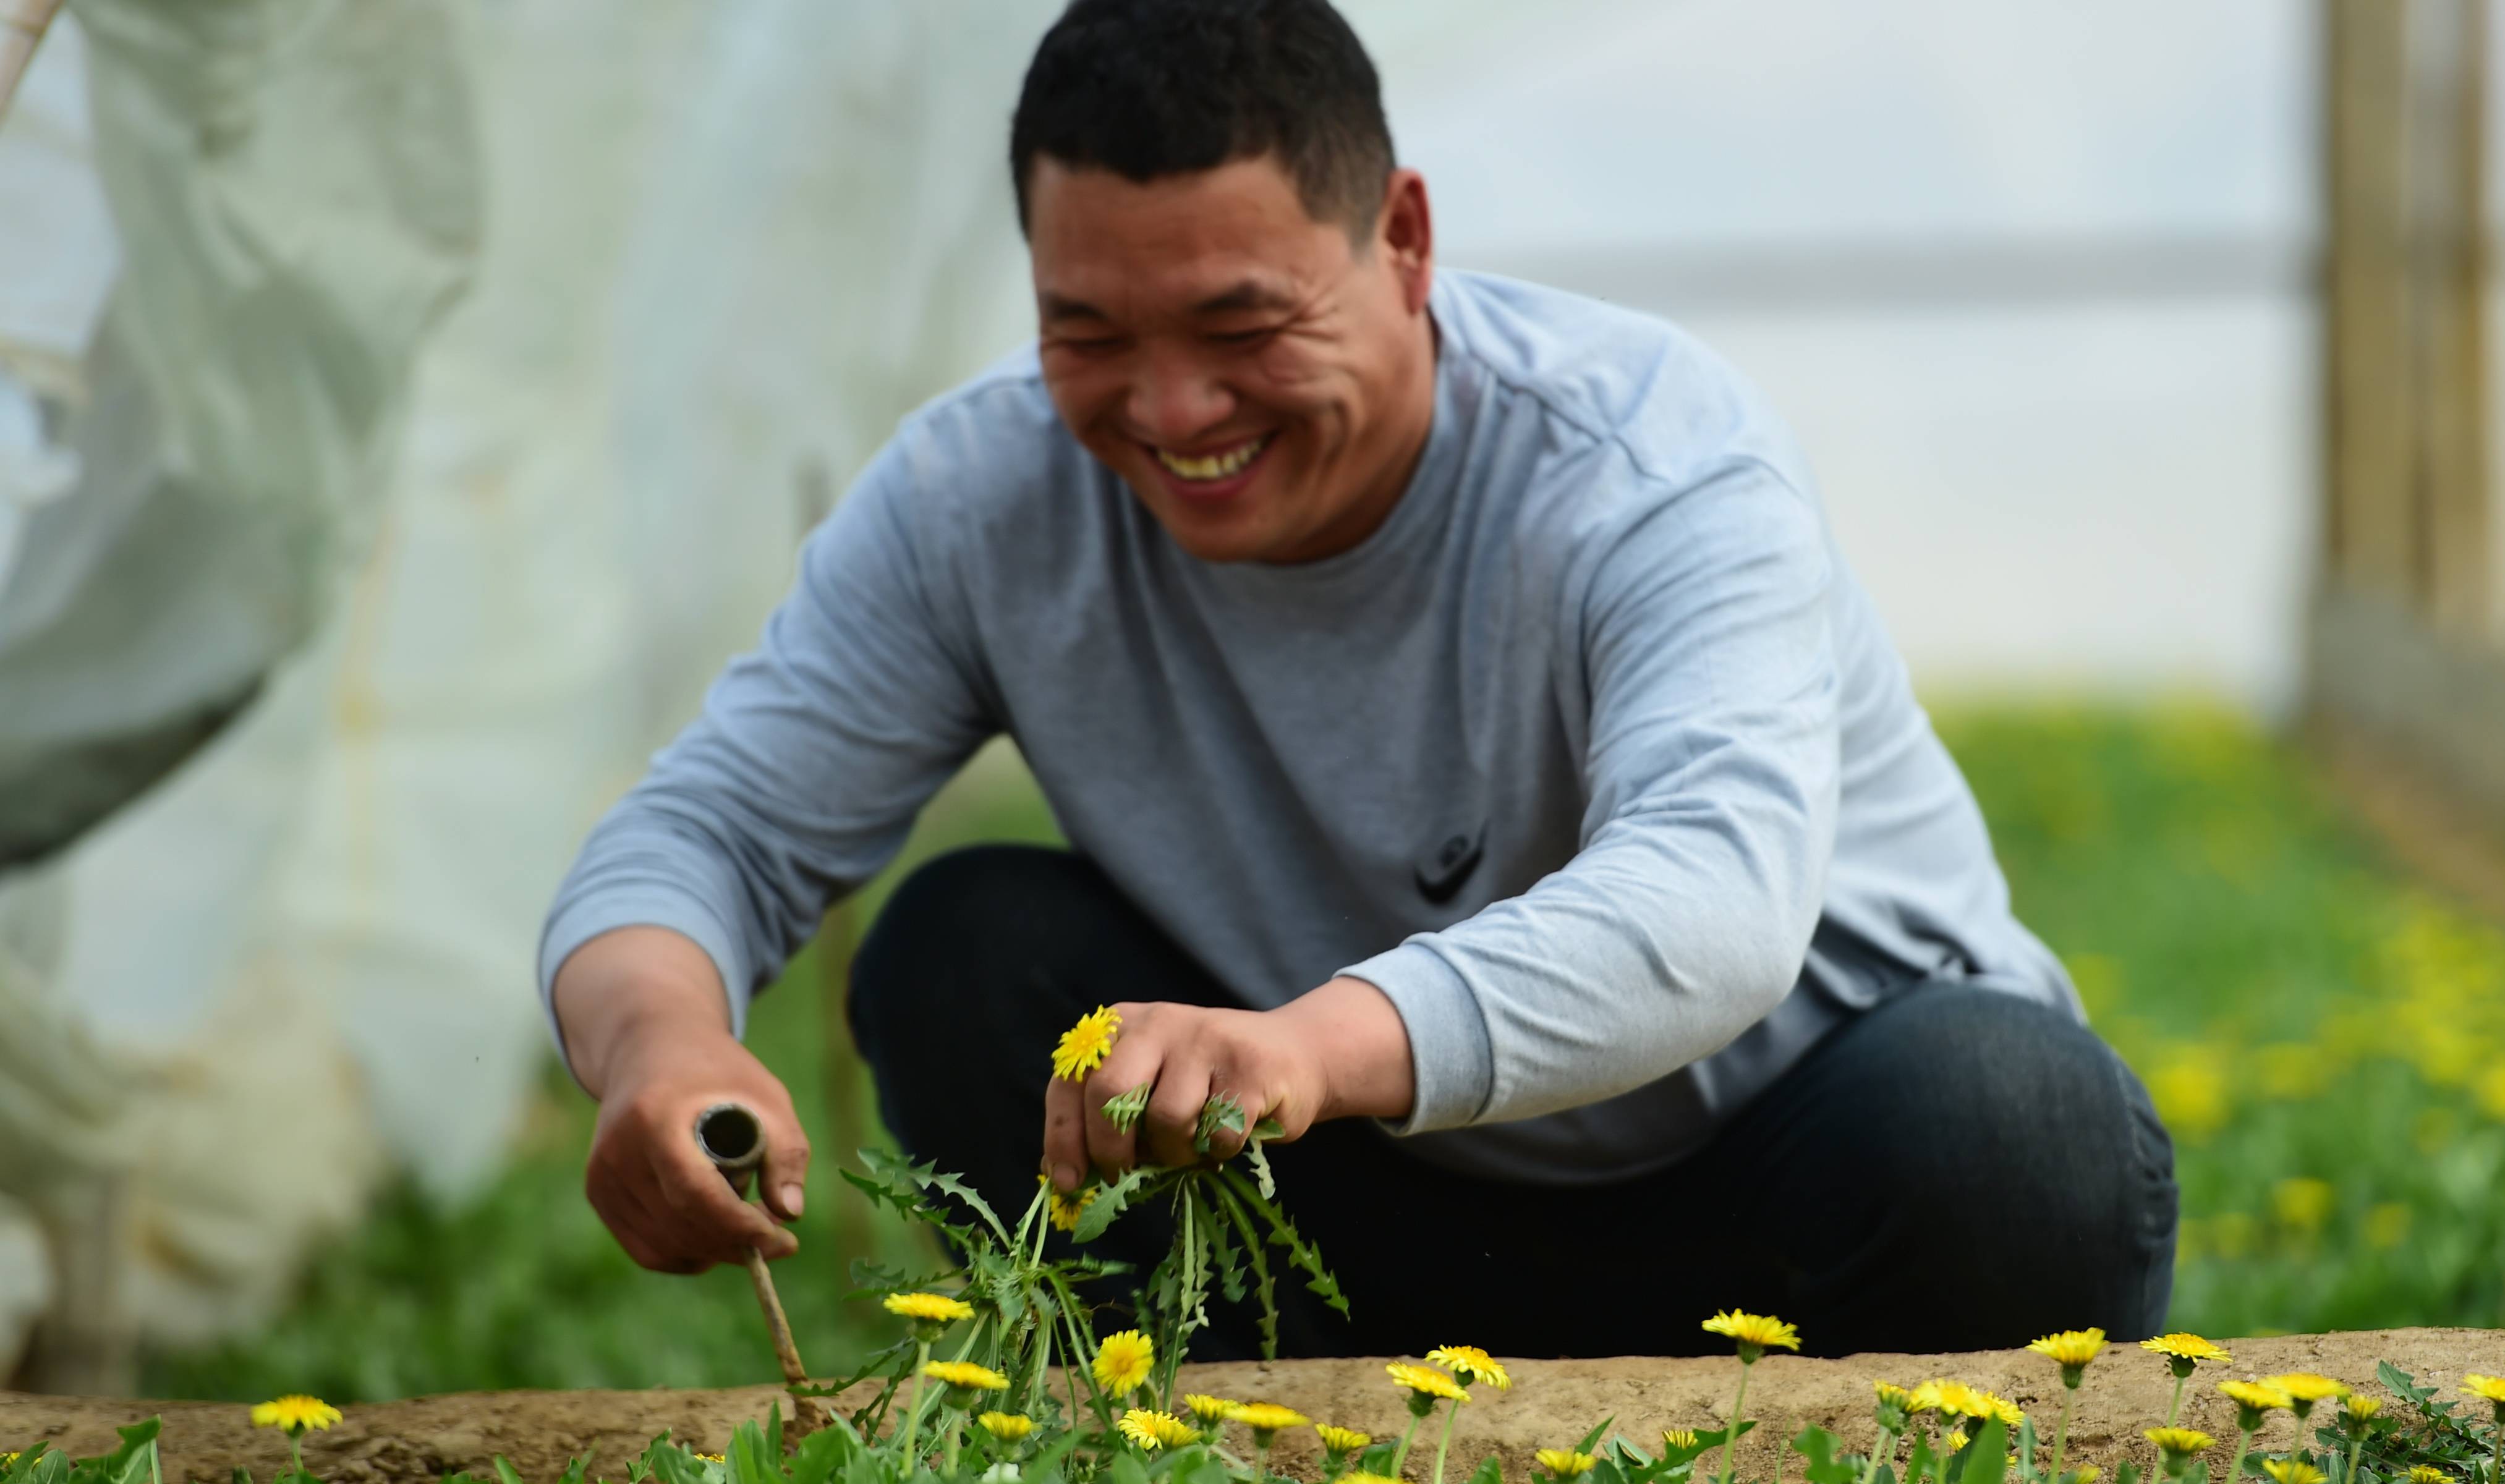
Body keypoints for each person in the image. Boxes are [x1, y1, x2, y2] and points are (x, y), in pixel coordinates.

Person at [542, 0, 2177, 1360]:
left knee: (2008, 1122)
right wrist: (655, 1042)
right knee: (964, 953)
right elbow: (718, 827)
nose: (1171, 411)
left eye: (1239, 323)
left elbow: (1712, 899)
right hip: (1371, 1222)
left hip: (1794, 1182)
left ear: (1400, 240)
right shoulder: (985, 501)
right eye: (1088, 331)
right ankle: (1229, 1427)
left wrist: (1310, 1046)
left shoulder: (1647, 456)